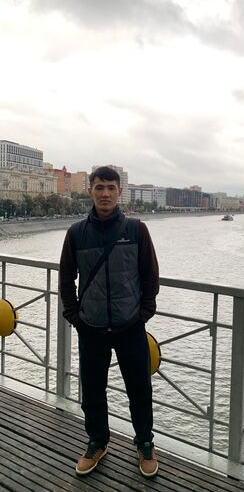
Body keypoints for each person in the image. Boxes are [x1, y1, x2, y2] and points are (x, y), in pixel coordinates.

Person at [59, 166, 159, 478]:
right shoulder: (76, 233)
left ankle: (144, 443)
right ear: (90, 191)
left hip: (130, 325)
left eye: (111, 188)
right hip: (92, 327)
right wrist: (75, 316)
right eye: (99, 187)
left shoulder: (136, 230)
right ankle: (97, 441)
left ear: (119, 192)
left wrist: (144, 313)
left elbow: (150, 275)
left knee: (139, 388)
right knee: (92, 390)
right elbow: (66, 278)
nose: (105, 194)